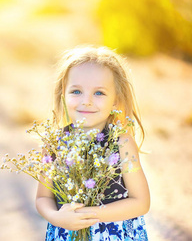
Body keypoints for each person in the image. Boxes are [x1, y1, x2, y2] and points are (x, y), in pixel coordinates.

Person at [35, 46, 150, 240]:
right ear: (63, 94)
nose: (86, 101)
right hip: (66, 233)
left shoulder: (121, 143)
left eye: (99, 93)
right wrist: (56, 217)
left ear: (115, 100)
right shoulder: (54, 143)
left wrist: (87, 215)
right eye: (76, 91)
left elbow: (141, 202)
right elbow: (43, 197)